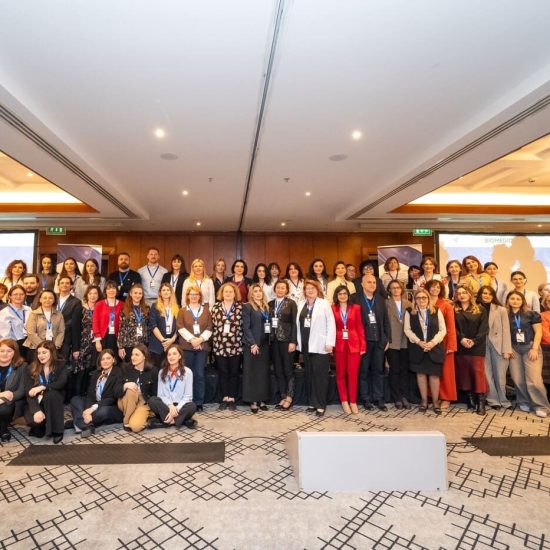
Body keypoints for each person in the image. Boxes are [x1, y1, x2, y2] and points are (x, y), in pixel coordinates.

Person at [506, 290, 549, 417]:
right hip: (514, 349)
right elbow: (503, 333)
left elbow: (539, 332)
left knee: (534, 380)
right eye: (512, 298)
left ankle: (542, 406)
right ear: (508, 300)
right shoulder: (505, 315)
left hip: (530, 348)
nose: (515, 301)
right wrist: (509, 347)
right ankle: (524, 401)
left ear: (523, 301)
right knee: (517, 379)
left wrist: (534, 348)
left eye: (518, 299)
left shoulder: (531, 314)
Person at [296, 279, 336, 417]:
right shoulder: (301, 304)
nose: (310, 290)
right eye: (307, 288)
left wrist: (330, 342)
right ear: (304, 291)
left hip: (320, 345)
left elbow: (331, 323)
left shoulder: (324, 303)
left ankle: (320, 405)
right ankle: (312, 403)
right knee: (310, 375)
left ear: (317, 290)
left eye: (313, 288)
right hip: (306, 345)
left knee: (320, 376)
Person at [404, 288, 446, 414]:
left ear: (428, 298)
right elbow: (407, 330)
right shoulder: (410, 312)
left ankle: (435, 402)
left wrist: (433, 342)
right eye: (418, 298)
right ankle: (424, 401)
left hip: (434, 348)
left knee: (434, 375)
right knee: (421, 375)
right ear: (415, 300)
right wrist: (418, 341)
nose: (421, 300)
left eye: (424, 297)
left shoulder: (436, 310)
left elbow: (443, 330)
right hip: (418, 348)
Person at [354, 273, 391, 411]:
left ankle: (378, 398)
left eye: (374, 282)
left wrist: (387, 338)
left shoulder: (380, 299)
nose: (372, 284)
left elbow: (385, 320)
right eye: (369, 282)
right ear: (362, 284)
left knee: (378, 370)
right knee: (363, 371)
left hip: (379, 341)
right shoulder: (355, 299)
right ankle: (365, 398)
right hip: (363, 341)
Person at [69, 348, 124, 437]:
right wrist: (88, 410)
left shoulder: (118, 372)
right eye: (103, 359)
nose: (105, 361)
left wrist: (92, 409)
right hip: (95, 403)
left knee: (102, 411)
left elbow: (112, 398)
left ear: (113, 360)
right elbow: (90, 394)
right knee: (75, 399)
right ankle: (86, 426)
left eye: (108, 358)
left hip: (109, 406)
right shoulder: (96, 373)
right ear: (100, 362)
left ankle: (77, 421)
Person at [176, 285, 212, 412]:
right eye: (191, 294)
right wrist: (192, 340)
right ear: (187, 296)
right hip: (186, 347)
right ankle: (187, 400)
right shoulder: (182, 311)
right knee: (186, 374)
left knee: (199, 374)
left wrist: (200, 340)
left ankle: (199, 401)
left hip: (202, 347)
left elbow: (209, 328)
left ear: (200, 296)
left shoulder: (206, 311)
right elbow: (180, 327)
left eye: (196, 294)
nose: (194, 296)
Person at [454, 285, 489, 414]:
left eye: (464, 292)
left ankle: (481, 402)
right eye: (459, 293)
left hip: (477, 346)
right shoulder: (454, 309)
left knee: (478, 373)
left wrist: (474, 341)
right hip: (460, 345)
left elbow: (484, 328)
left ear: (470, 294)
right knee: (464, 373)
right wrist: (461, 339)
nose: (462, 295)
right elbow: (452, 328)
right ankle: (470, 399)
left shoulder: (480, 309)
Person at [477, 285, 512, 410]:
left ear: (493, 296)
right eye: (484, 293)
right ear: (480, 295)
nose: (486, 295)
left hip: (499, 345)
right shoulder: (475, 308)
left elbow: (506, 330)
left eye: (489, 293)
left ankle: (504, 400)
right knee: (487, 374)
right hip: (481, 344)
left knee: (500, 375)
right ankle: (493, 400)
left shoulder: (501, 309)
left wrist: (507, 349)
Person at [25, 340, 67, 443]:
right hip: (38, 401)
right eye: (38, 353)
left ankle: (58, 430)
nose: (41, 356)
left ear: (52, 352)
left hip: (54, 399)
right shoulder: (31, 368)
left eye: (44, 352)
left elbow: (61, 383)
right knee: (34, 423)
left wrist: (42, 387)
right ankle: (43, 425)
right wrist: (36, 410)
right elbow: (28, 393)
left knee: (51, 394)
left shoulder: (61, 365)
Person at [332, 286, 365, 414]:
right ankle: (344, 401)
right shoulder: (332, 308)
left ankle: (353, 401)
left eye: (344, 293)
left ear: (348, 295)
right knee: (340, 374)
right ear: (336, 296)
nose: (342, 296)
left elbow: (360, 327)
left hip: (354, 345)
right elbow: (331, 327)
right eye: (339, 294)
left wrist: (363, 345)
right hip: (339, 344)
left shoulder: (356, 308)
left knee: (353, 374)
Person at [147, 344, 197, 429]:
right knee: (152, 400)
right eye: (169, 354)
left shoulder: (188, 372)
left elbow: (188, 396)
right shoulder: (162, 372)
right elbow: (160, 395)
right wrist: (170, 406)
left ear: (180, 356)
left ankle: (167, 422)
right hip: (166, 405)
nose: (171, 356)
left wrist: (177, 408)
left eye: (174, 354)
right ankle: (181, 420)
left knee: (192, 406)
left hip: (180, 405)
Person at [210, 283, 243, 410]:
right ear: (222, 294)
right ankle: (224, 397)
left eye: (230, 291)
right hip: (220, 345)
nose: (228, 294)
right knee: (223, 372)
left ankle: (232, 398)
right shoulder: (215, 307)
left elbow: (243, 326)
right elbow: (212, 326)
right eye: (226, 291)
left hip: (236, 345)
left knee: (234, 372)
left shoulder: (240, 308)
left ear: (235, 294)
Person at [426, 279, 457, 409]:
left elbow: (451, 326)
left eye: (438, 287)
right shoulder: (424, 302)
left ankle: (446, 398)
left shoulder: (446, 305)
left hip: (444, 343)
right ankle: (435, 396)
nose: (435, 289)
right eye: (432, 287)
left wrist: (451, 345)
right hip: (428, 343)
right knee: (432, 371)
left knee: (446, 372)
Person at [242, 283, 271, 413]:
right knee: (252, 373)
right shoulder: (247, 307)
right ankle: (253, 401)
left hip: (265, 345)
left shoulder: (266, 307)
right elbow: (246, 327)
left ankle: (262, 399)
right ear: (251, 294)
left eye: (260, 291)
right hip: (252, 345)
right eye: (255, 291)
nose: (258, 293)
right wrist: (252, 343)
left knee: (262, 373)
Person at [268, 279, 297, 410]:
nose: (280, 290)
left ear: (287, 290)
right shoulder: (270, 303)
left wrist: (293, 341)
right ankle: (283, 396)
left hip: (287, 341)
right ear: (275, 289)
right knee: (278, 370)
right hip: (273, 341)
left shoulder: (291, 303)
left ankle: (290, 397)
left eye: (282, 288)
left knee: (288, 369)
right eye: (278, 287)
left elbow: (295, 323)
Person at [385, 280, 412, 409]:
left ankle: (404, 396)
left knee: (404, 370)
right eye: (393, 288)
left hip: (406, 341)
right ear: (389, 290)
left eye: (398, 287)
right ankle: (396, 397)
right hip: (392, 341)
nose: (396, 290)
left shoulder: (409, 304)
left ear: (402, 289)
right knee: (394, 370)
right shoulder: (386, 303)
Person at [118, 344, 157, 432]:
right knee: (131, 390)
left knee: (135, 427)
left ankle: (147, 414)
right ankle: (126, 420)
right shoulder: (125, 368)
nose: (133, 357)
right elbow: (116, 390)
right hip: (126, 400)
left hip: (143, 402)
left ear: (144, 356)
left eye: (137, 355)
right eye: (132, 354)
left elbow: (155, 393)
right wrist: (125, 385)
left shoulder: (153, 370)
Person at [73, 285, 102, 397]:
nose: (93, 296)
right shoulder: (80, 308)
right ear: (86, 295)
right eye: (90, 293)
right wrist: (75, 348)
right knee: (81, 369)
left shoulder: (101, 307)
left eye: (95, 293)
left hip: (96, 342)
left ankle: (89, 394)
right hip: (82, 343)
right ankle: (77, 394)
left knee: (93, 368)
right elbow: (75, 329)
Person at [23, 290, 65, 358]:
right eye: (45, 298)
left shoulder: (59, 314)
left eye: (50, 298)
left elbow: (61, 331)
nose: (47, 300)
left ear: (54, 300)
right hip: (35, 348)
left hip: (54, 349)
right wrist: (43, 347)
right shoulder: (33, 314)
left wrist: (55, 346)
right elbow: (31, 332)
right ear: (40, 300)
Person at [0, 338, 27, 442]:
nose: (5, 354)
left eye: (9, 351)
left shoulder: (22, 366)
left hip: (11, 401)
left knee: (3, 409)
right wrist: (1, 395)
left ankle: (3, 428)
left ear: (15, 352)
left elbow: (21, 390)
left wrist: (4, 399)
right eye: (2, 351)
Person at [148, 283, 179, 368]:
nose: (166, 292)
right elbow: (153, 325)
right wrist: (164, 341)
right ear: (160, 293)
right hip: (158, 343)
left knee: (172, 369)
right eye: (163, 290)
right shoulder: (155, 306)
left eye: (168, 290)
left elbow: (179, 326)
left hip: (172, 342)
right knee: (158, 370)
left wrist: (172, 340)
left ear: (171, 292)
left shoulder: (177, 307)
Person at [117, 284, 149, 361]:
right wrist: (120, 347)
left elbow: (148, 326)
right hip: (128, 344)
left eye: (140, 293)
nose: (137, 295)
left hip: (142, 344)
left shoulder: (146, 308)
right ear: (131, 294)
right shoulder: (124, 309)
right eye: (135, 293)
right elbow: (121, 328)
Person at [92, 280, 124, 355]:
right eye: (108, 288)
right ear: (105, 291)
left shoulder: (122, 305)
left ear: (117, 290)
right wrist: (97, 340)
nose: (111, 290)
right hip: (103, 337)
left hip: (117, 338)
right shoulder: (99, 304)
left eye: (113, 288)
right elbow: (95, 322)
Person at [56, 275, 83, 362]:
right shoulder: (52, 298)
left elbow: (75, 324)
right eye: (62, 283)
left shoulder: (76, 302)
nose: (64, 285)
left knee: (62, 363)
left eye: (67, 283)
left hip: (66, 338)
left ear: (71, 286)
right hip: (49, 336)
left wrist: (76, 347)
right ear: (58, 285)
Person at [0, 285, 32, 356]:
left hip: (29, 342)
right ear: (10, 296)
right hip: (14, 344)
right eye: (15, 294)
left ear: (25, 296)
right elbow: (4, 335)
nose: (18, 296)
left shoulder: (29, 309)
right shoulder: (4, 312)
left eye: (21, 294)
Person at [540, 294, 550, 391]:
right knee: (548, 378)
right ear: (546, 303)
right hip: (547, 348)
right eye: (549, 301)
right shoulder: (542, 315)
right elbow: (545, 334)